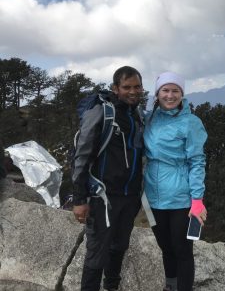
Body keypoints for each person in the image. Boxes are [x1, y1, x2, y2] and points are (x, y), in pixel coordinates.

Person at [72, 66, 144, 291]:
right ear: (116, 88)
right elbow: (81, 156)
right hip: (103, 197)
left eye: (137, 86)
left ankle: (112, 287)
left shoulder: (136, 114)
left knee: (119, 247)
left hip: (130, 196)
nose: (133, 91)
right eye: (127, 87)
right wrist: (79, 200)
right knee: (97, 253)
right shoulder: (103, 112)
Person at [144, 71, 208, 291]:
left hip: (181, 197)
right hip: (152, 195)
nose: (170, 96)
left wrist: (197, 199)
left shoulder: (190, 122)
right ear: (157, 93)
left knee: (182, 249)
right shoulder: (150, 118)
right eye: (165, 90)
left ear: (182, 94)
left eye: (175, 91)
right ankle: (170, 285)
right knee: (165, 246)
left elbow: (197, 161)